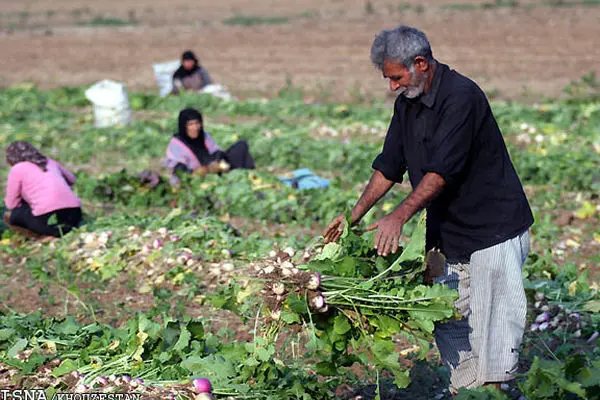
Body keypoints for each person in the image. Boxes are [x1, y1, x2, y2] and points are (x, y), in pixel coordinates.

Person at [323, 26, 534, 393]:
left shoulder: (462, 97)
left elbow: (442, 173)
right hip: (443, 234)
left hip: (492, 229)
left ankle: (495, 390)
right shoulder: (406, 104)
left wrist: (399, 216)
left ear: (420, 63)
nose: (392, 86)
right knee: (439, 307)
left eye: (396, 77)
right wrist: (352, 216)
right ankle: (467, 390)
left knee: (495, 325)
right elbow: (389, 165)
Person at [3, 141, 82, 238]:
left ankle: (40, 237)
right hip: (75, 216)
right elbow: (72, 180)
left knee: (9, 215)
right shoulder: (50, 161)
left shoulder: (17, 169)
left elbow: (11, 205)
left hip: (47, 220)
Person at [165, 108, 255, 184]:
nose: (195, 128)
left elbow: (216, 151)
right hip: (196, 181)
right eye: (190, 125)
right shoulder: (176, 145)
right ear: (183, 126)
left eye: (197, 123)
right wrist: (207, 170)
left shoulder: (203, 136)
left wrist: (218, 162)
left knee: (241, 146)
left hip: (214, 171)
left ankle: (244, 178)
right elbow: (181, 173)